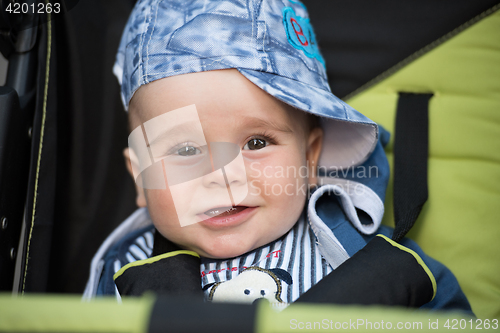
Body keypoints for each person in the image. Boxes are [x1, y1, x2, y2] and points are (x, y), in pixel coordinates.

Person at [84, 0, 472, 313]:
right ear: (141, 177)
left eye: (256, 143)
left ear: (309, 157)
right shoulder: (123, 273)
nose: (223, 175)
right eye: (186, 150)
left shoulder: (368, 258)